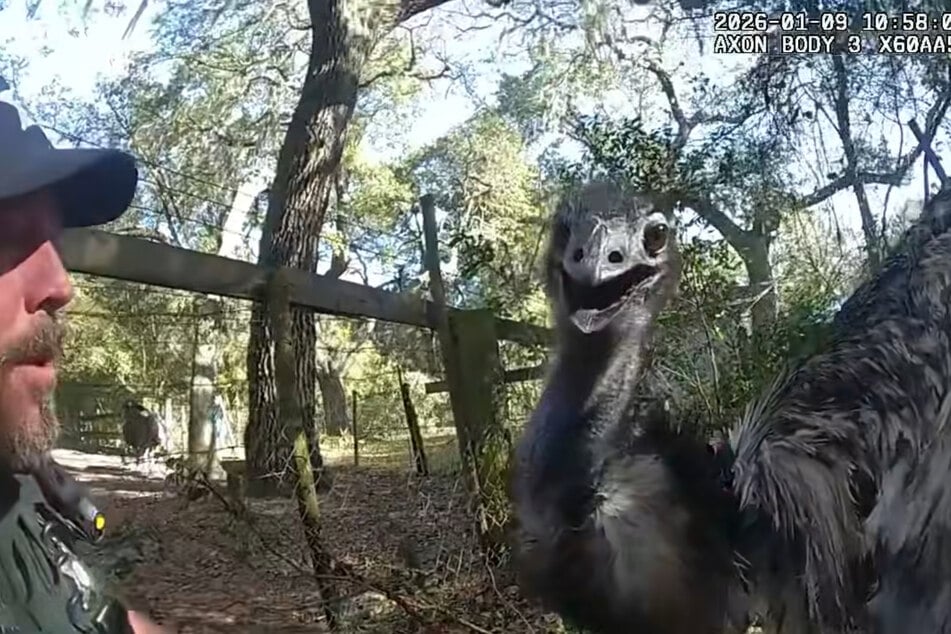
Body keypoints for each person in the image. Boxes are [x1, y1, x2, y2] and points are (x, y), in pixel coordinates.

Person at [0, 97, 169, 632]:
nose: (62, 286)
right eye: (5, 236)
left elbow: (108, 619)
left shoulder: (23, 486)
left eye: (53, 243)